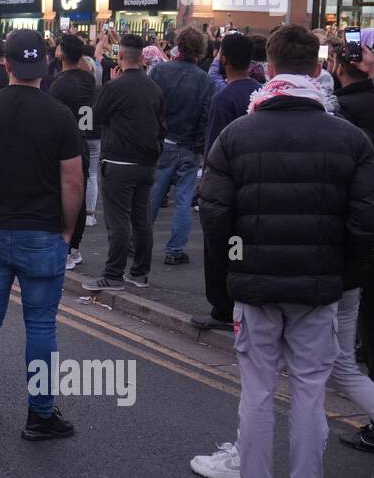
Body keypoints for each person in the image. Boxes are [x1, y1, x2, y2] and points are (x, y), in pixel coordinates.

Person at [199, 24, 374, 478]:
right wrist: (338, 266)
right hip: (318, 288)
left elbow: (214, 215)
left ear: (271, 67)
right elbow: (371, 218)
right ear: (317, 68)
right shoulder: (349, 137)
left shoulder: (238, 133)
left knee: (257, 393)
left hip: (257, 288)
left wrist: (239, 263)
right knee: (309, 396)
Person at [0, 29, 84, 438]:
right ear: (44, 66)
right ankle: (40, 414)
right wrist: (67, 229)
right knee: (42, 325)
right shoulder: (59, 114)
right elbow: (73, 183)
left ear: (6, 65)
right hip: (43, 231)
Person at [82, 34, 165, 292]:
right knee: (141, 219)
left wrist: (111, 85)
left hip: (118, 161)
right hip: (147, 163)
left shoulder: (114, 87)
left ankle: (113, 275)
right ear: (141, 58)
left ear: (120, 57)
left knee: (118, 221)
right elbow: (162, 125)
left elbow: (93, 119)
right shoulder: (155, 89)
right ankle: (140, 273)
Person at [193, 32, 262, 330]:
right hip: (255, 182)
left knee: (218, 249)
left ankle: (222, 309)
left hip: (228, 184)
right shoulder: (261, 92)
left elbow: (213, 149)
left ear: (225, 59)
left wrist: (205, 187)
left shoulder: (223, 97)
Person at [147, 27, 212, 265]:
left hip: (163, 142)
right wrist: (199, 146)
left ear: (178, 45)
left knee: (153, 195)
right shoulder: (205, 80)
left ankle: (138, 244)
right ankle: (174, 250)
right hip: (189, 145)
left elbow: (150, 106)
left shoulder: (160, 71)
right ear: (200, 51)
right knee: (183, 200)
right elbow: (206, 116)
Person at [49, 34, 98, 269]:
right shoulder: (90, 79)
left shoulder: (59, 85)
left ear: (61, 53)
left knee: (63, 195)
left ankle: (64, 244)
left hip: (63, 144)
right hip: (86, 139)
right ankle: (74, 248)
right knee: (80, 190)